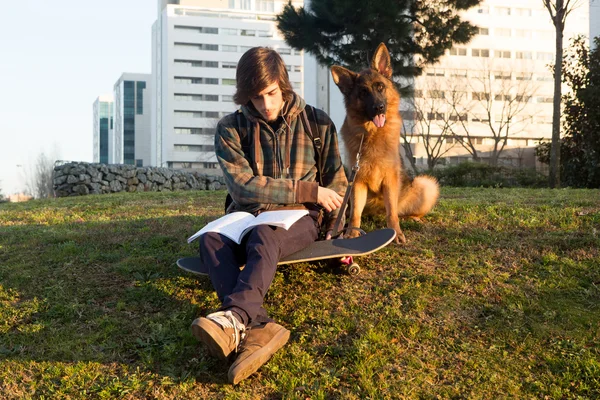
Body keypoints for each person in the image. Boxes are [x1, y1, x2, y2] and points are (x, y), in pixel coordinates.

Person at [191, 47, 348, 384]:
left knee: (266, 236)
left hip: (299, 219)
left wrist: (338, 236)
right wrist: (308, 189)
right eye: (256, 96)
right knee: (210, 239)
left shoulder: (317, 123)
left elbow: (337, 186)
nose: (265, 104)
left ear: (284, 85)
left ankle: (234, 319)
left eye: (272, 93)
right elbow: (243, 188)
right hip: (245, 216)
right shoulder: (230, 128)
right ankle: (259, 327)